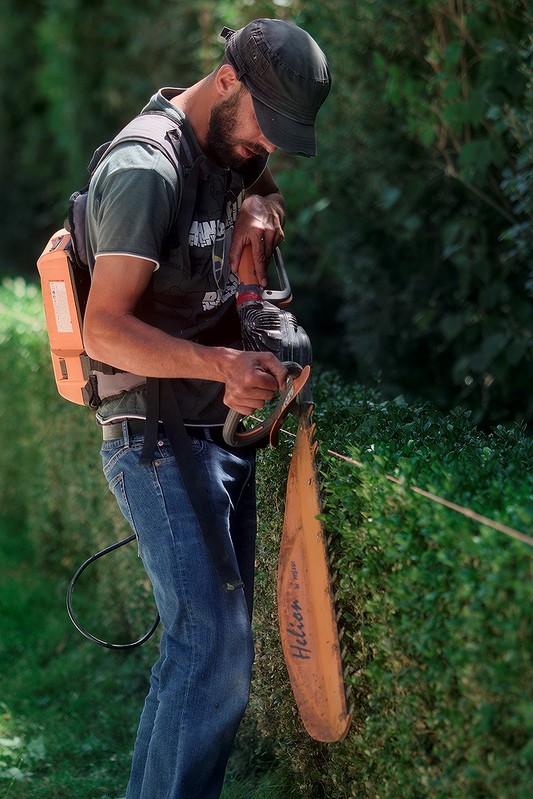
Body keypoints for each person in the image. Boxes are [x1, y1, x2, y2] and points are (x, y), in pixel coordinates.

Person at [82, 17, 331, 799]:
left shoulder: (229, 148)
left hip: (210, 427)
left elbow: (250, 177)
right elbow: (104, 327)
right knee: (215, 651)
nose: (269, 150)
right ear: (226, 81)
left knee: (204, 652)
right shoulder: (144, 167)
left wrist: (259, 203)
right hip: (155, 434)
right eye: (268, 126)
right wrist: (220, 363)